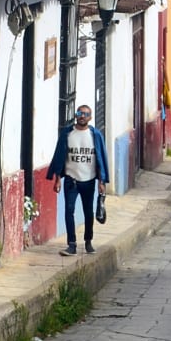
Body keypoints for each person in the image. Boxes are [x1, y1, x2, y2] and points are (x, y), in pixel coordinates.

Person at [48, 103, 109, 256]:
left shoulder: (95, 135)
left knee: (88, 213)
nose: (82, 116)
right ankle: (72, 244)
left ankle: (88, 241)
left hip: (88, 181)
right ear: (76, 115)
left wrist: (102, 182)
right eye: (80, 113)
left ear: (90, 118)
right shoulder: (67, 134)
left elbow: (101, 159)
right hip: (71, 180)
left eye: (86, 114)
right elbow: (59, 156)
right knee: (69, 211)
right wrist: (57, 179)